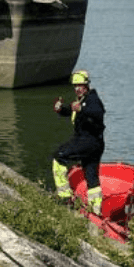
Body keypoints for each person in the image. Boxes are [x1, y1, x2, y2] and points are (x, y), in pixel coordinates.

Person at [52, 69, 107, 215]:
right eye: (75, 86)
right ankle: (96, 209)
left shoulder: (92, 99)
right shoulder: (82, 100)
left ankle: (64, 196)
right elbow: (73, 111)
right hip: (96, 144)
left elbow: (97, 112)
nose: (77, 89)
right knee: (91, 175)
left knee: (59, 156)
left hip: (87, 141)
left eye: (80, 85)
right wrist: (61, 110)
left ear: (86, 85)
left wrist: (81, 108)